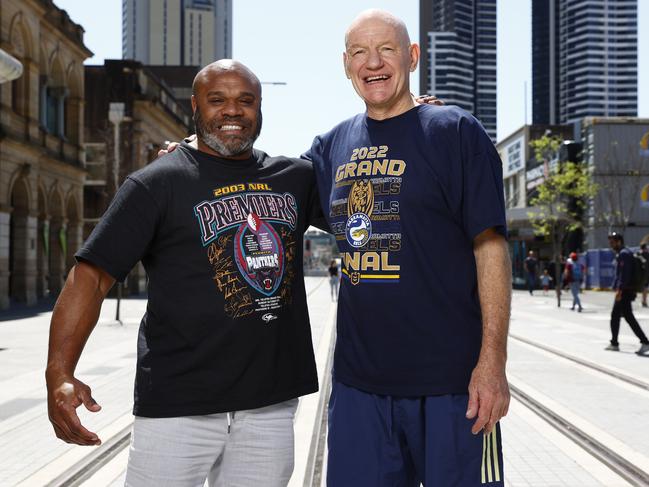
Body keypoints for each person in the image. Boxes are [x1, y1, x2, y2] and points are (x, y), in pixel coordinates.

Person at [45, 60, 326, 486]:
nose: (232, 110)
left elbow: (365, 194)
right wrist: (59, 373)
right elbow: (91, 277)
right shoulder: (156, 183)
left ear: (260, 107)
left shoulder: (295, 179)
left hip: (268, 408)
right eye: (218, 100)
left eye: (245, 101)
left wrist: (405, 114)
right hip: (178, 407)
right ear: (195, 107)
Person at [304, 10, 511, 486]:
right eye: (359, 52)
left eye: (387, 49)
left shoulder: (456, 133)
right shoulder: (330, 147)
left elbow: (491, 249)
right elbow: (265, 185)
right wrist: (197, 147)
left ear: (412, 56)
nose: (372, 63)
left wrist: (492, 363)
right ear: (345, 64)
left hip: (454, 387)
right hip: (360, 390)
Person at [605, 232, 649, 355]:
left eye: (612, 242)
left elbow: (624, 275)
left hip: (625, 291)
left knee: (617, 316)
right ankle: (642, 342)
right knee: (626, 316)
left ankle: (617, 343)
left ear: (619, 241)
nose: (611, 244)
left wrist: (619, 290)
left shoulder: (624, 254)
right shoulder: (623, 253)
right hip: (626, 290)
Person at [641, 243, 649, 307]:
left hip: (642, 274)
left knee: (644, 288)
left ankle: (644, 301)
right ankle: (644, 301)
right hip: (646, 274)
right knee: (645, 288)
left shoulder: (640, 254)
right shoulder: (646, 254)